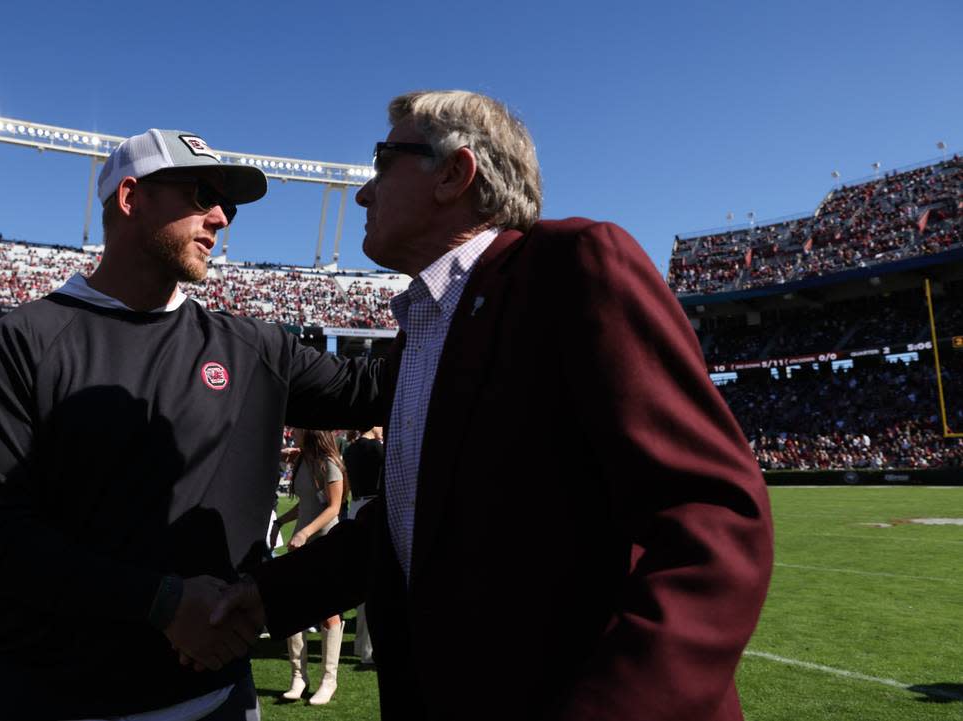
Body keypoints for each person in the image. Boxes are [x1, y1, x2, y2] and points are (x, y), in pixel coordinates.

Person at [214, 91, 775, 720]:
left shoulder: (576, 268)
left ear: (455, 174)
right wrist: (266, 597)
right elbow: (407, 526)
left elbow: (712, 517)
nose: (364, 193)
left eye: (383, 161)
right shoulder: (420, 330)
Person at [0, 128, 385, 721]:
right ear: (130, 199)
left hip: (215, 697)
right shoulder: (22, 341)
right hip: (50, 698)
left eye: (227, 203)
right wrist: (161, 602)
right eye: (202, 194)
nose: (222, 218)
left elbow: (381, 390)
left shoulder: (251, 347)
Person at [269, 429, 349, 705]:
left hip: (326, 545)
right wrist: (282, 522)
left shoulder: (330, 463)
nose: (295, 431)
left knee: (329, 612)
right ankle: (298, 678)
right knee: (294, 609)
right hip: (301, 546)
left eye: (300, 427)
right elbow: (307, 506)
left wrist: (303, 533)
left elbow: (334, 508)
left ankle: (329, 680)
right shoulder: (303, 460)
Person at [341, 426, 382, 665]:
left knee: (362, 579)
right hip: (372, 508)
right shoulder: (377, 448)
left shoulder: (350, 449)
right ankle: (367, 648)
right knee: (373, 583)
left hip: (356, 507)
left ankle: (360, 645)